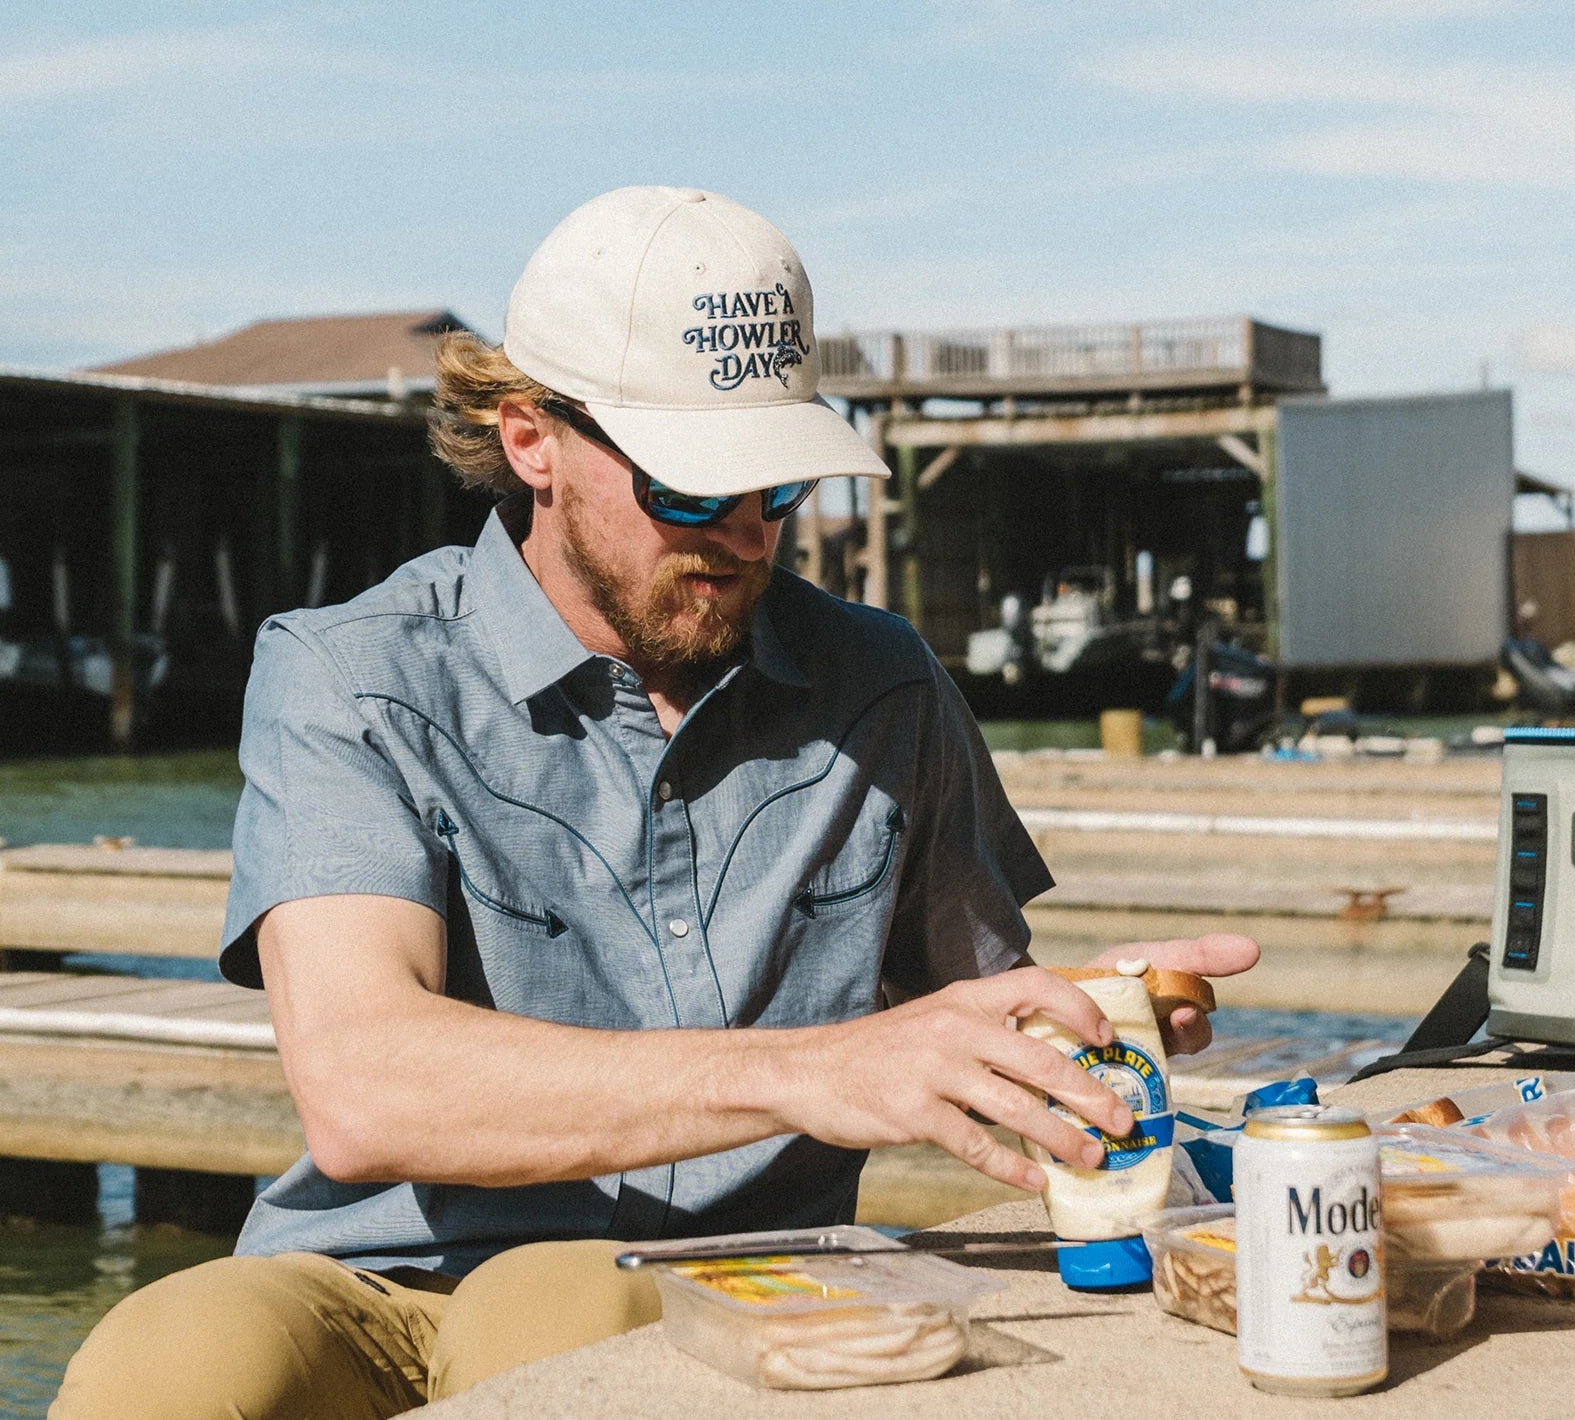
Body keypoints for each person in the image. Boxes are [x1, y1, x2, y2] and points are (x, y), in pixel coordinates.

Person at [54, 186, 1258, 1417]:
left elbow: (969, 1024)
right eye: (690, 489)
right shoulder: (348, 673)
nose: (741, 536)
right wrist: (806, 1070)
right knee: (166, 1353)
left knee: (555, 1314)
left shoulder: (886, 685)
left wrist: (1093, 1019)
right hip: (365, 1277)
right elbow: (364, 1088)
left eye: (775, 489)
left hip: (719, 1290)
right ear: (531, 441)